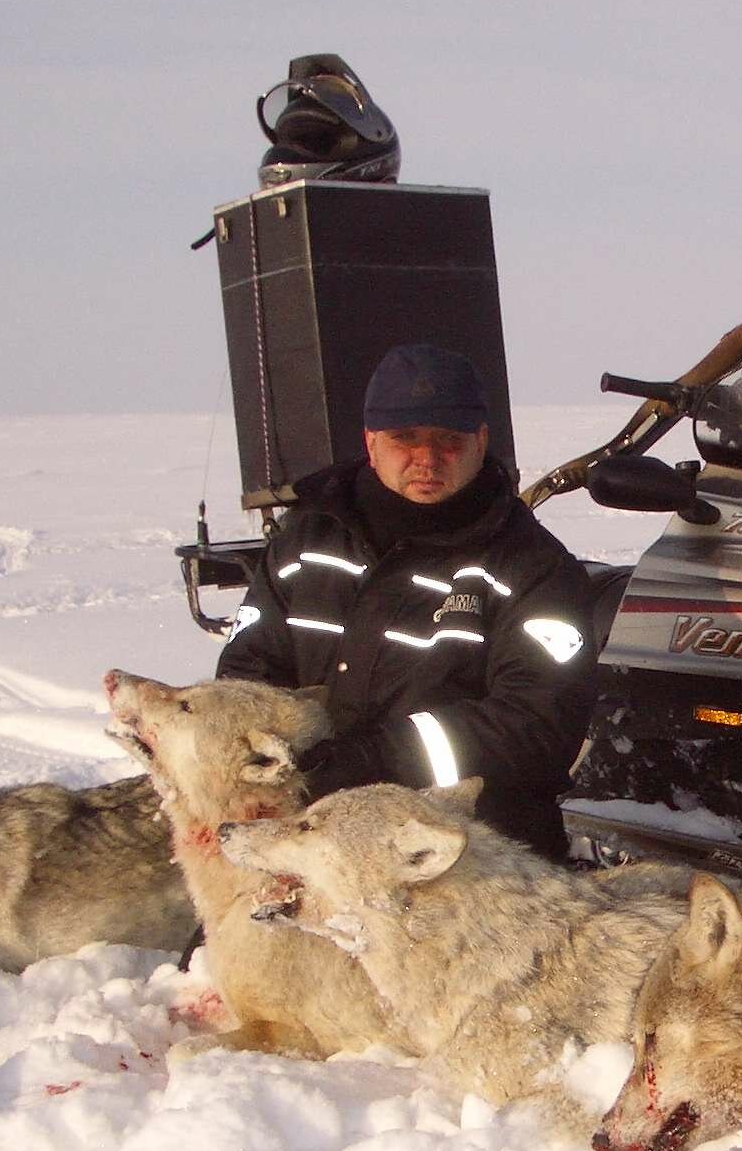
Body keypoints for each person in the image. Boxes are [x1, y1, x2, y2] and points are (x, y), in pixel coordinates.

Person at [216, 342, 598, 860]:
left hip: (463, 847)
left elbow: (535, 725)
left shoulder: (531, 566)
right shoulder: (304, 541)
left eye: (449, 440)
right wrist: (259, 777)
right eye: (405, 438)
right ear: (371, 441)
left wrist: (372, 760)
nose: (427, 459)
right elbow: (246, 674)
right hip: (303, 828)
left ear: (481, 440)